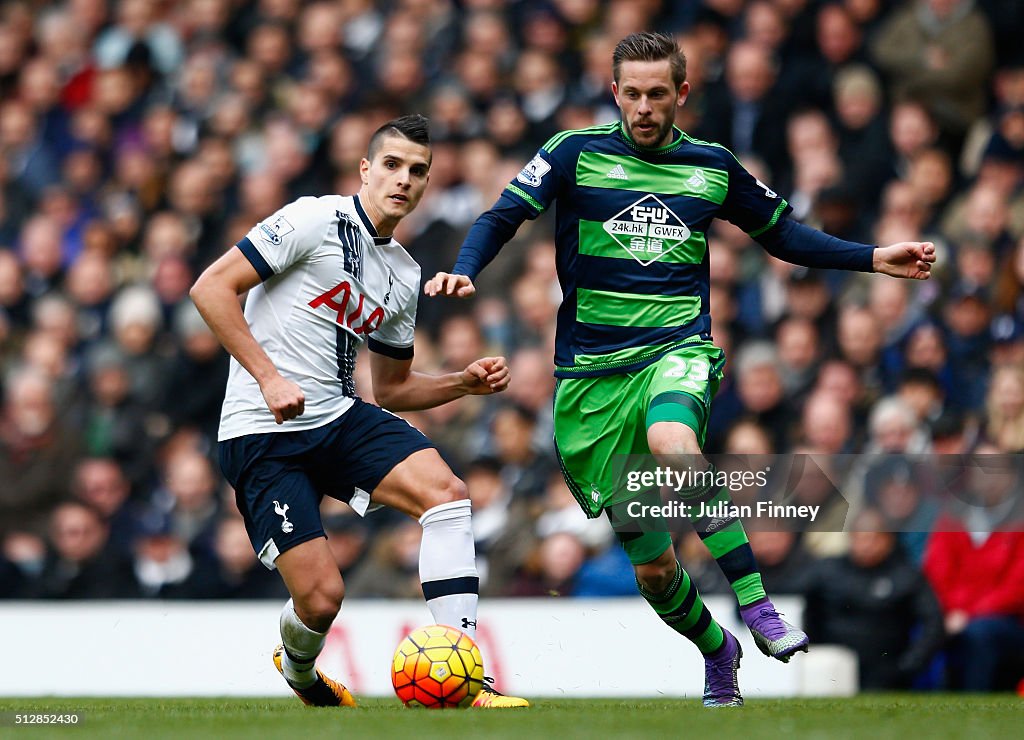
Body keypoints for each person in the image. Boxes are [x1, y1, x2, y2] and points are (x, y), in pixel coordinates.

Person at [426, 32, 937, 707]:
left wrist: (875, 257)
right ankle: (715, 649)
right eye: (632, 93)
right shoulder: (571, 154)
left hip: (676, 350)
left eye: (657, 94)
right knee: (658, 570)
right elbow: (502, 215)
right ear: (615, 93)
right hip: (591, 380)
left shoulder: (712, 167)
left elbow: (783, 235)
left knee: (676, 446)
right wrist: (464, 271)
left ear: (682, 94)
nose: (643, 106)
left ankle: (756, 607)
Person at [190, 115, 528, 709]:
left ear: (427, 185)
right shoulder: (312, 218)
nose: (403, 179)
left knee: (447, 494)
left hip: (338, 416)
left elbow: (392, 389)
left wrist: (461, 384)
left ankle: (469, 678)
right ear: (365, 169)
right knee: (321, 600)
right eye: (392, 165)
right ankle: (298, 667)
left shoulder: (403, 273)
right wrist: (268, 378)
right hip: (263, 430)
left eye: (417, 171)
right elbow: (211, 288)